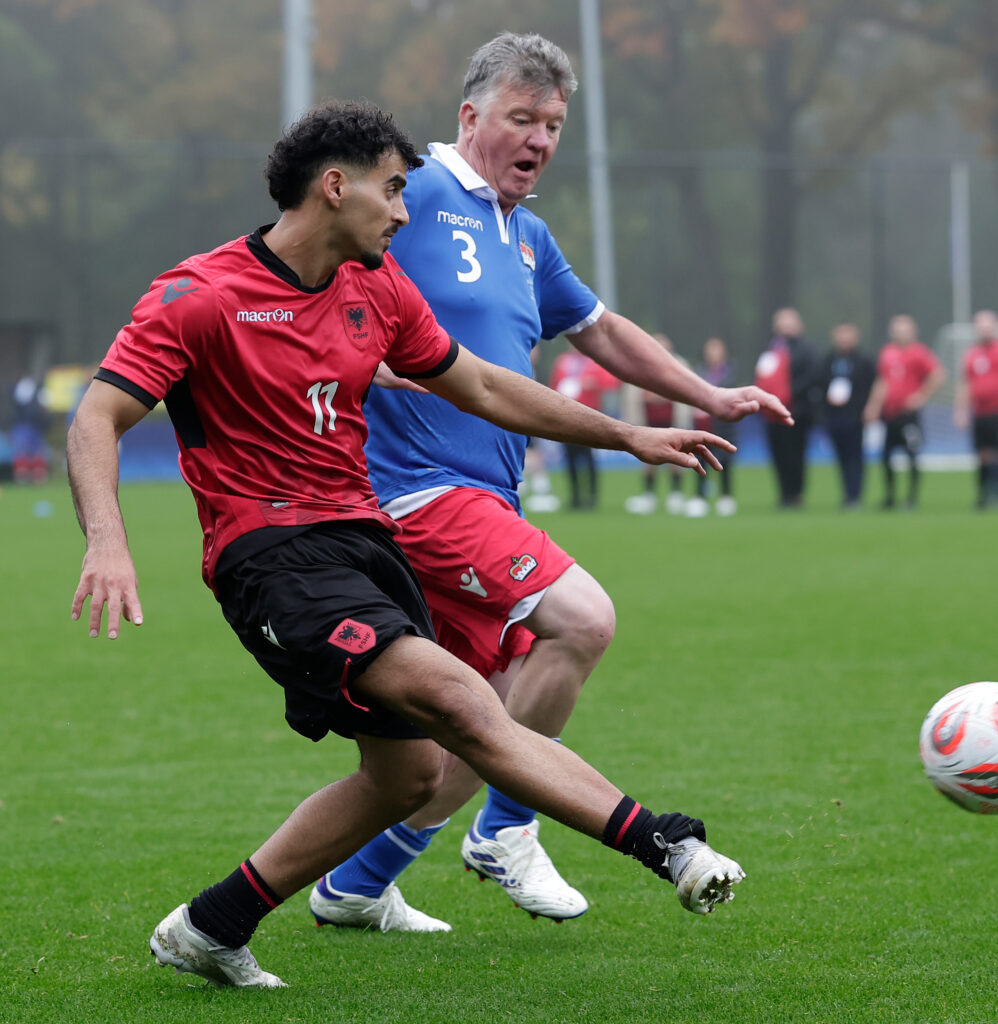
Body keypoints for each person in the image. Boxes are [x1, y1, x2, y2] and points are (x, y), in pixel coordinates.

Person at [67, 103, 745, 988]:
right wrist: (107, 542)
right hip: (272, 559)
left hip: (366, 546)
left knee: (408, 776)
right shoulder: (200, 295)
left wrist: (629, 437)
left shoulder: (377, 290)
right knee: (465, 703)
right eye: (392, 189)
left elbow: (487, 388)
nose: (404, 209)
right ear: (335, 186)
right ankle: (665, 845)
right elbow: (97, 416)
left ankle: (210, 926)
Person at [323, 33, 787, 933]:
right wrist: (356, 359)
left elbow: (603, 331)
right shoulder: (408, 196)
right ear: (471, 117)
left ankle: (359, 881)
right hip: (414, 492)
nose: (540, 139)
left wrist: (708, 392)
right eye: (522, 118)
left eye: (555, 124)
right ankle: (507, 827)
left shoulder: (526, 233)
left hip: (486, 499)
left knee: (475, 715)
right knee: (580, 620)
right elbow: (313, 273)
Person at [863, 314, 944, 509]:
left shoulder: (919, 352)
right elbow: (882, 382)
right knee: (886, 456)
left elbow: (938, 375)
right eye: (897, 328)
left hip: (908, 415)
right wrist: (873, 406)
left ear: (913, 331)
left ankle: (911, 498)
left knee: (912, 455)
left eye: (904, 329)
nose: (900, 332)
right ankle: (890, 497)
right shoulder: (887, 353)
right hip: (889, 413)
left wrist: (920, 396)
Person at [756, 307, 820, 508]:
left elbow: (812, 376)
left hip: (796, 412)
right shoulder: (771, 349)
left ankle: (796, 494)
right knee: (778, 454)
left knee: (795, 454)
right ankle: (784, 494)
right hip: (772, 413)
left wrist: (788, 392)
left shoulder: (806, 349)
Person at [953, 309, 998, 509]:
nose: (984, 331)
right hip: (980, 413)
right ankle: (984, 494)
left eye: (988, 327)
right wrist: (961, 410)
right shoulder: (971, 354)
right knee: (982, 454)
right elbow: (965, 383)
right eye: (980, 327)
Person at [622, 334, 690, 515]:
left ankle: (676, 495)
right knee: (648, 459)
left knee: (676, 456)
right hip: (648, 420)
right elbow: (635, 393)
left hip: (672, 420)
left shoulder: (679, 364)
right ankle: (649, 496)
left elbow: (684, 391)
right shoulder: (640, 365)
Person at [549, 346, 616, 510]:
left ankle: (592, 497)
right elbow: (553, 385)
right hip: (565, 417)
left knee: (588, 458)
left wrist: (594, 383)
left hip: (589, 416)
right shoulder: (563, 361)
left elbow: (610, 383)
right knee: (570, 459)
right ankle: (575, 497)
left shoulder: (593, 361)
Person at [818, 323, 876, 509]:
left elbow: (873, 385)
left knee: (855, 456)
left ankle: (855, 495)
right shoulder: (828, 360)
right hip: (834, 417)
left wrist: (869, 408)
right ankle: (846, 494)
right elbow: (820, 385)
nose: (843, 341)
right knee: (841, 457)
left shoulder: (864, 361)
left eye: (847, 336)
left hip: (855, 416)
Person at [689, 335, 739, 516]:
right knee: (700, 459)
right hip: (703, 425)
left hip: (723, 425)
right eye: (710, 349)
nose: (713, 353)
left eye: (717, 349)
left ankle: (726, 497)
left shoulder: (730, 373)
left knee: (724, 460)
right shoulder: (700, 371)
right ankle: (699, 497)